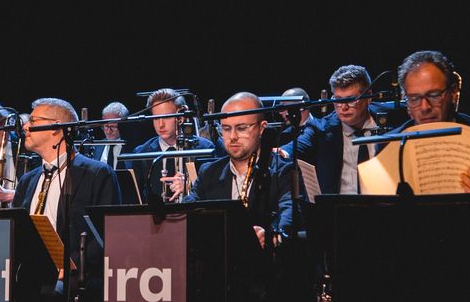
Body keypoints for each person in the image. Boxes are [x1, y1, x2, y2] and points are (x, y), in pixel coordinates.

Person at [0, 98, 121, 259]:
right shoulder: (27, 181)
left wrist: (72, 264)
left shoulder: (97, 174)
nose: (25, 127)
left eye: (33, 121)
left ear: (56, 128)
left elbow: (108, 234)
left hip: (76, 272)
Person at [395, 50, 470, 224]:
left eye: (434, 95)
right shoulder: (387, 144)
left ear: (453, 92)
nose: (425, 107)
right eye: (414, 98)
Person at [169, 93, 295, 246]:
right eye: (226, 129)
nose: (233, 136)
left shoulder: (284, 171)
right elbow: (187, 213)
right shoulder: (208, 172)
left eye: (241, 128)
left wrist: (271, 236)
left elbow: (289, 214)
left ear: (262, 128)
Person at [280, 65, 398, 195]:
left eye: (351, 100)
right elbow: (292, 148)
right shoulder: (322, 128)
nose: (343, 107)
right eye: (338, 100)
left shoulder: (393, 118)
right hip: (340, 206)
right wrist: (280, 152)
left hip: (386, 203)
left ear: (368, 97)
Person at [130, 88, 216, 203]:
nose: (161, 124)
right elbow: (136, 198)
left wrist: (189, 187)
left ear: (180, 118)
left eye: (166, 117)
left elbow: (214, 192)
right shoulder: (142, 152)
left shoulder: (204, 148)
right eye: (156, 118)